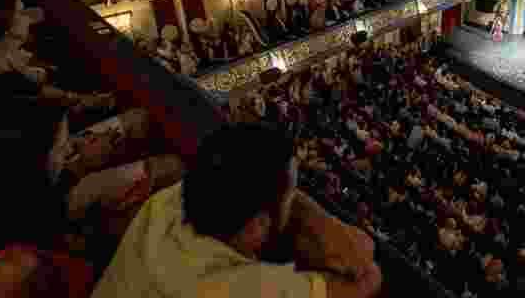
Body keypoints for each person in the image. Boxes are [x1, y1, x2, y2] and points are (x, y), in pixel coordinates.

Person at [92, 124, 382, 298]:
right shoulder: (243, 289)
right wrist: (317, 223)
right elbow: (368, 277)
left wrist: (283, 198)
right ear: (257, 226)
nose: (297, 200)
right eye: (292, 195)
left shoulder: (166, 204)